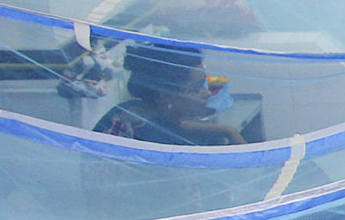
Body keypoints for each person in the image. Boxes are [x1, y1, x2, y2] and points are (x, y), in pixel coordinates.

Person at [95, 44, 244, 147]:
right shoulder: (161, 142)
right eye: (195, 88)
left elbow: (177, 126)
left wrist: (227, 129)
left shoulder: (129, 109)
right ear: (166, 96)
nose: (207, 93)